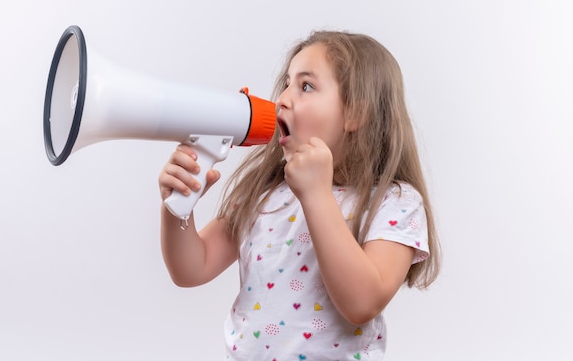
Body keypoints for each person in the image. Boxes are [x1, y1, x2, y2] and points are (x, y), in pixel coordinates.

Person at [158, 30, 441, 360]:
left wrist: (317, 195)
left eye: (306, 86)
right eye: (287, 83)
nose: (283, 98)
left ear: (355, 114)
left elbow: (362, 303)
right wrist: (178, 207)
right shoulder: (263, 195)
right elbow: (192, 268)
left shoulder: (395, 202)